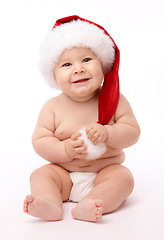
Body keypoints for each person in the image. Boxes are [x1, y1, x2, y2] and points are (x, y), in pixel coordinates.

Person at [23, 15, 140, 222]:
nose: (78, 69)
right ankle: (49, 203)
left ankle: (93, 202)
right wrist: (65, 150)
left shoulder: (115, 100)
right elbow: (40, 141)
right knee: (40, 175)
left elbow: (132, 132)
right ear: (54, 75)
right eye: (66, 64)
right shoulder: (53, 107)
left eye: (87, 60)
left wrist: (108, 133)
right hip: (64, 173)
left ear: (103, 64)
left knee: (124, 178)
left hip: (104, 171)